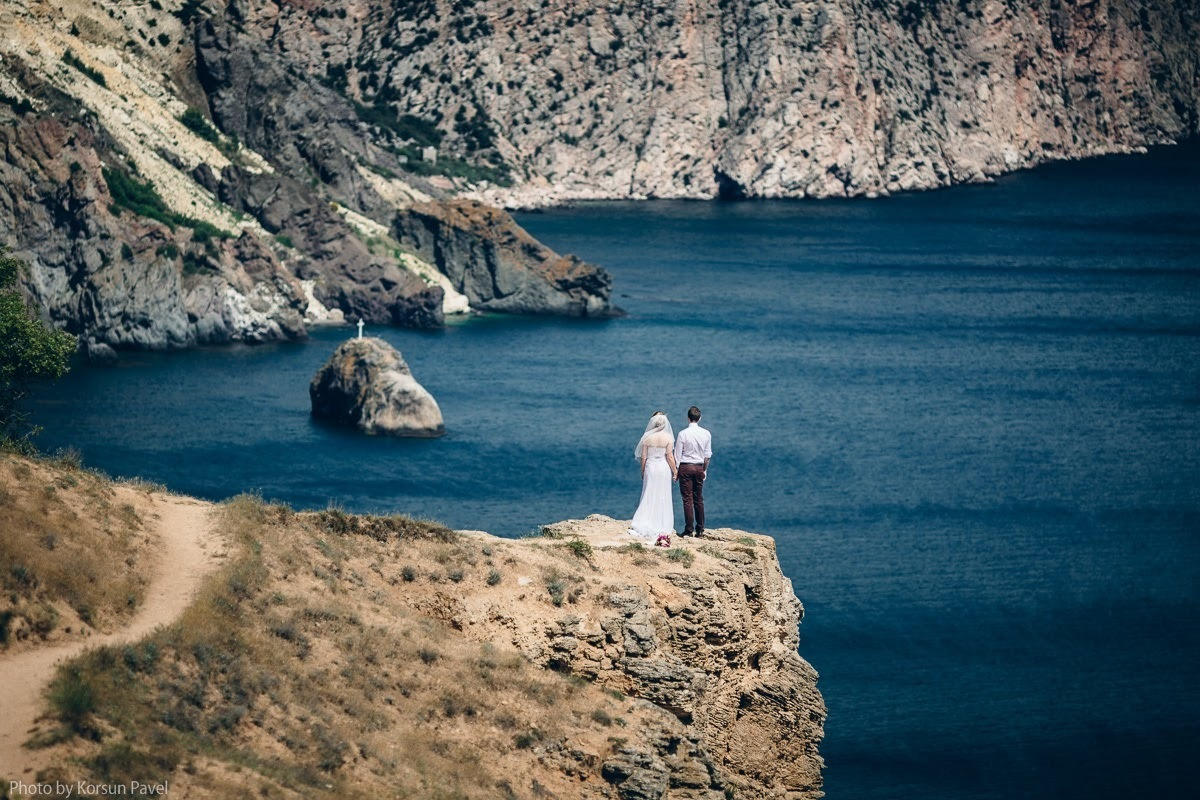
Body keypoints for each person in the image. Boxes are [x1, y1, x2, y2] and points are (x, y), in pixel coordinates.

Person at [628, 412, 678, 544]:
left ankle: (645, 520)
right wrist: (675, 471)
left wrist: (643, 471)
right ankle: (661, 522)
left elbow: (643, 457)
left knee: (649, 494)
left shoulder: (647, 438)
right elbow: (670, 457)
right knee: (663, 495)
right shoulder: (668, 438)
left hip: (651, 467)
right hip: (663, 468)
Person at [673, 405, 712, 537]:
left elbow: (677, 455)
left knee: (687, 499)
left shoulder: (683, 434)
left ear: (688, 418)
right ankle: (700, 528)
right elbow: (707, 456)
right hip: (699, 466)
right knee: (698, 498)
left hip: (685, 467)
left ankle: (689, 529)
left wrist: (675, 471)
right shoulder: (706, 433)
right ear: (700, 418)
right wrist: (704, 470)